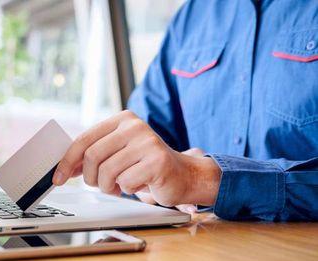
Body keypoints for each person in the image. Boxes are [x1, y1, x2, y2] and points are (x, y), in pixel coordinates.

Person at [53, 0, 318, 221]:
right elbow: (147, 136)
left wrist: (198, 179)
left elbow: (186, 173)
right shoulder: (194, 15)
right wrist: (141, 179)